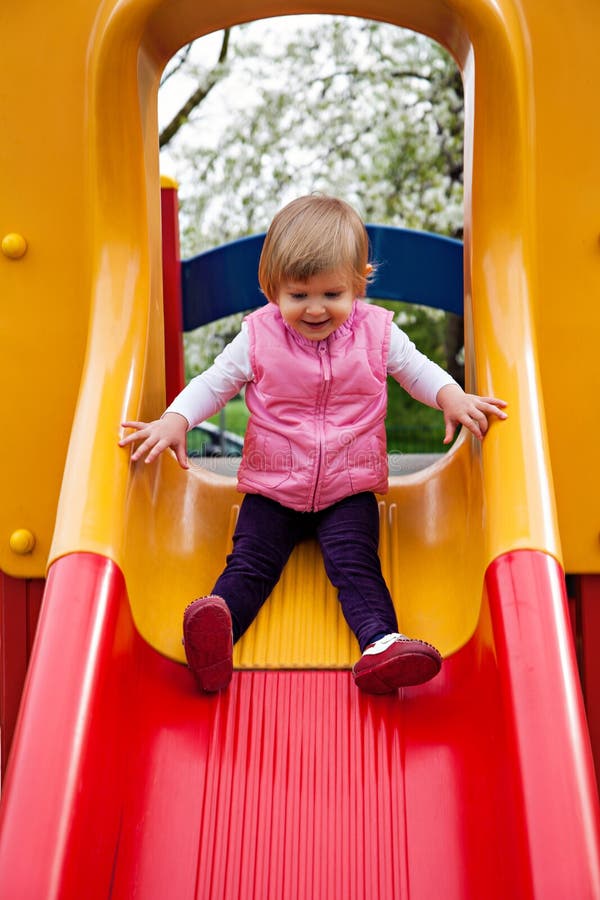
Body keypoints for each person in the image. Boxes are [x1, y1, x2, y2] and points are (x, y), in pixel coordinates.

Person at [119, 195, 507, 695]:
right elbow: (214, 383)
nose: (316, 308)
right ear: (272, 289)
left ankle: (381, 647)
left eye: (332, 293)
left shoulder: (377, 332)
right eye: (299, 295)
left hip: (348, 487)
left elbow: (416, 370)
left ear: (359, 282)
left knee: (356, 563)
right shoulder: (257, 337)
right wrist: (176, 419)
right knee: (252, 562)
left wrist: (450, 396)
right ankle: (215, 639)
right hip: (275, 488)